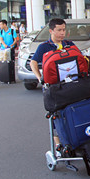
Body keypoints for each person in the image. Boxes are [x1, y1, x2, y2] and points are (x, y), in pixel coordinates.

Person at [30, 18, 75, 150]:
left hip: (70, 85)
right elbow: (33, 63)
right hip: (53, 87)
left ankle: (74, 139)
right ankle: (58, 145)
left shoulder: (69, 44)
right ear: (51, 31)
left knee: (72, 111)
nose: (62, 33)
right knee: (56, 115)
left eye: (64, 30)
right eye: (59, 30)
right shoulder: (44, 47)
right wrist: (39, 78)